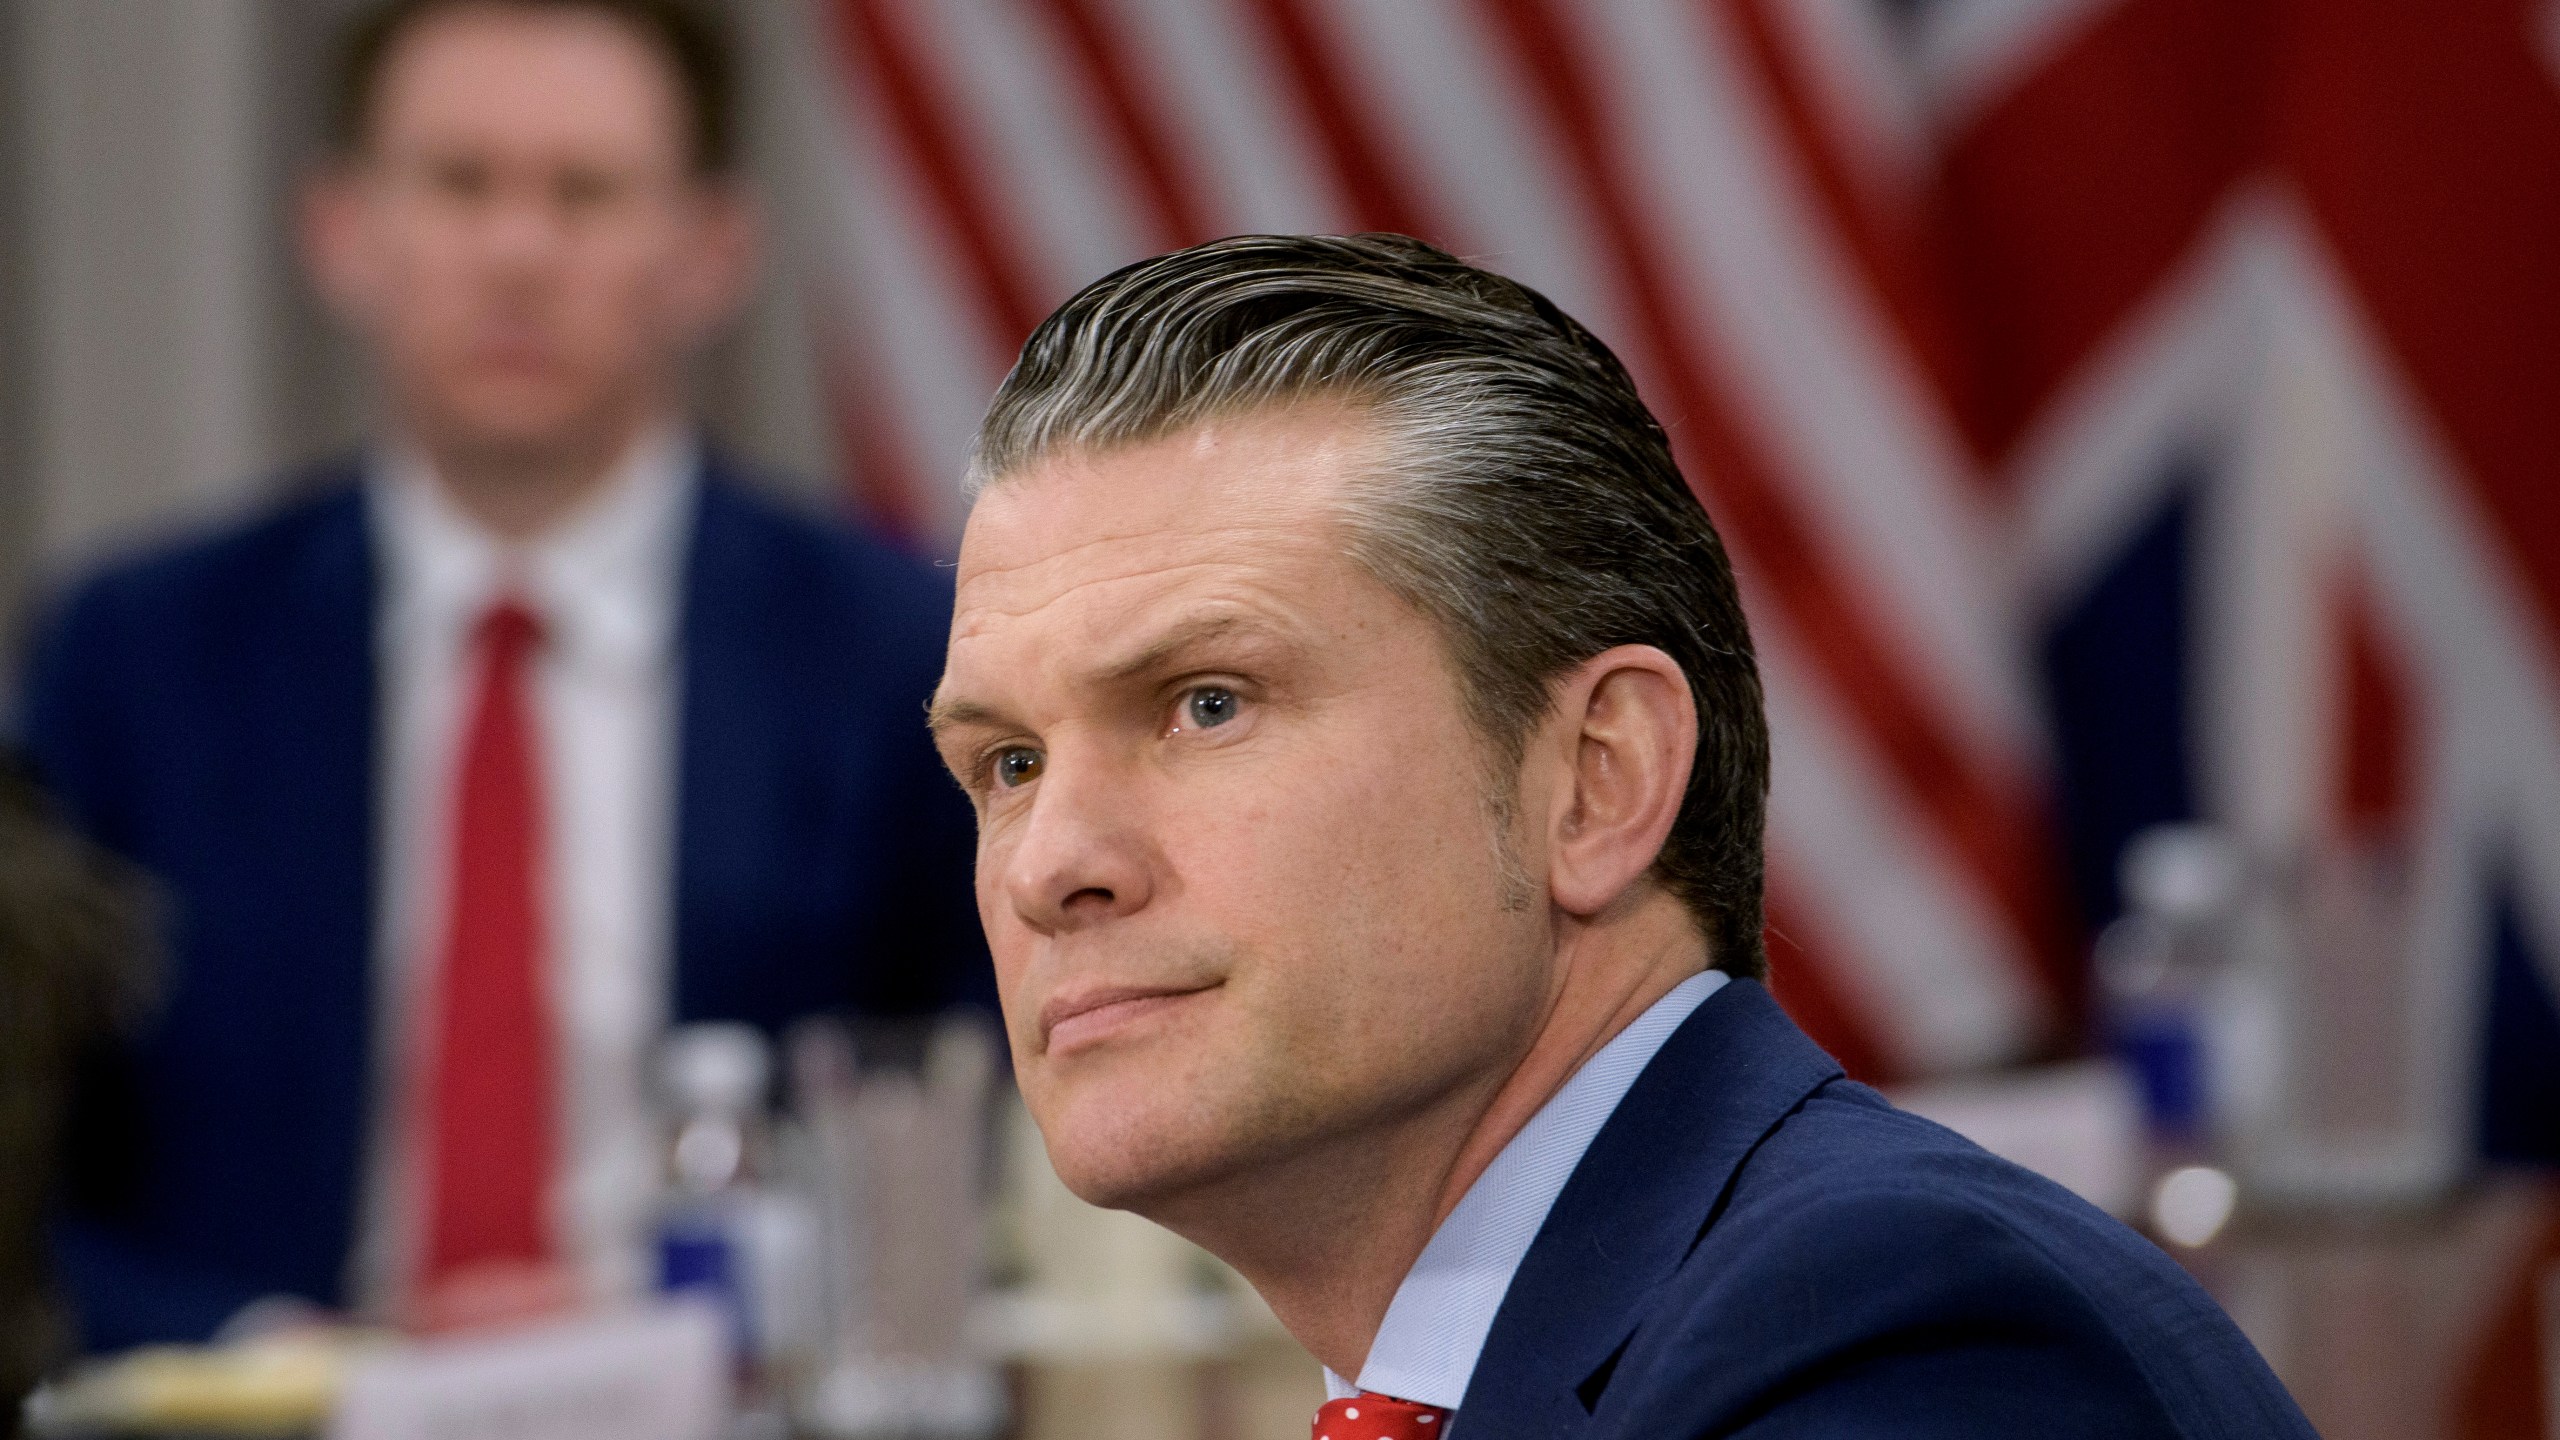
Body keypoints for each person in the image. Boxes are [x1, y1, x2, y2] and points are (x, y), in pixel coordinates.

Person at [929, 234, 2317, 1438]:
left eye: (1206, 704)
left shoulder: (1886, 1342)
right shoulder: (1603, 1343)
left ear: (1596, 781)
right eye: (1007, 762)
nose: (1052, 865)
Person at [16, 0, 984, 1351]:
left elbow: (988, 1124)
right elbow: (33, 1184)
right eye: (460, 182)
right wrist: (272, 1356)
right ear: (343, 230)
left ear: (712, 250)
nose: (518, 251)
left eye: (584, 193)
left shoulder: (903, 652)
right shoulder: (137, 654)